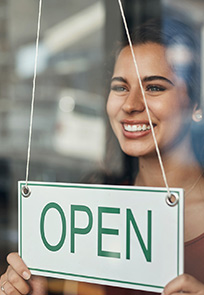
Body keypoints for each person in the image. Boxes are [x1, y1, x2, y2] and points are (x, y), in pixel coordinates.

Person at [1, 18, 204, 295]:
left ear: (195, 103)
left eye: (154, 87)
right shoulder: (90, 210)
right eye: (120, 87)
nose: (131, 105)